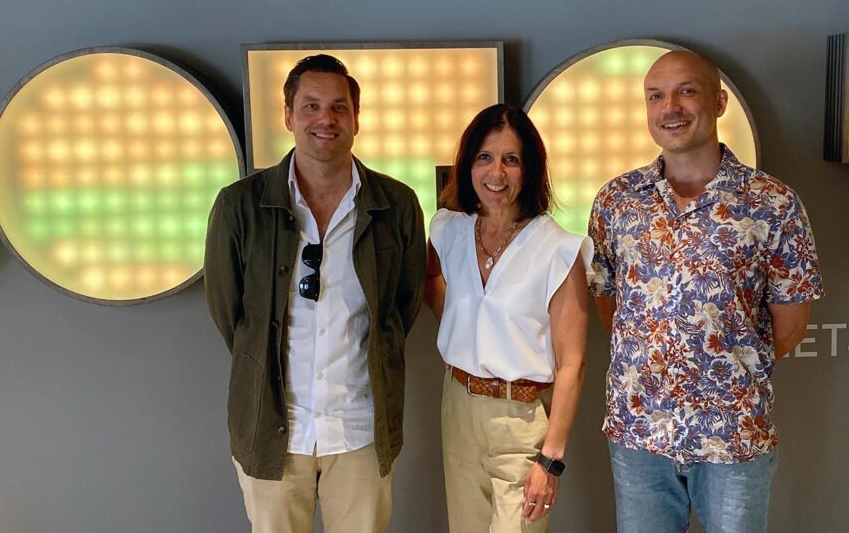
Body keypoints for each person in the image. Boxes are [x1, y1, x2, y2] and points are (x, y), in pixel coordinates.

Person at [587, 50, 824, 533]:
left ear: (718, 102)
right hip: (639, 433)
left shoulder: (772, 203)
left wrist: (719, 369)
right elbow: (611, 307)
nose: (670, 107)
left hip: (732, 435)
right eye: (656, 96)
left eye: (686, 91)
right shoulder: (617, 201)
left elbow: (791, 326)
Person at [204, 54, 425, 533]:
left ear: (356, 119)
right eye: (311, 106)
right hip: (272, 431)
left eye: (339, 107)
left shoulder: (396, 205)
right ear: (288, 115)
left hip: (360, 430)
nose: (326, 119)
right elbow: (230, 313)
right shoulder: (239, 206)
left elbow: (401, 309)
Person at [425, 104, 590, 532]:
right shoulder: (448, 228)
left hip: (522, 418)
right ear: (468, 164)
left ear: (529, 169)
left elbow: (572, 364)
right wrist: (464, 325)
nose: (496, 172)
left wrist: (550, 460)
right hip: (458, 406)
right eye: (484, 157)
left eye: (510, 159)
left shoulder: (557, 249)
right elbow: (431, 276)